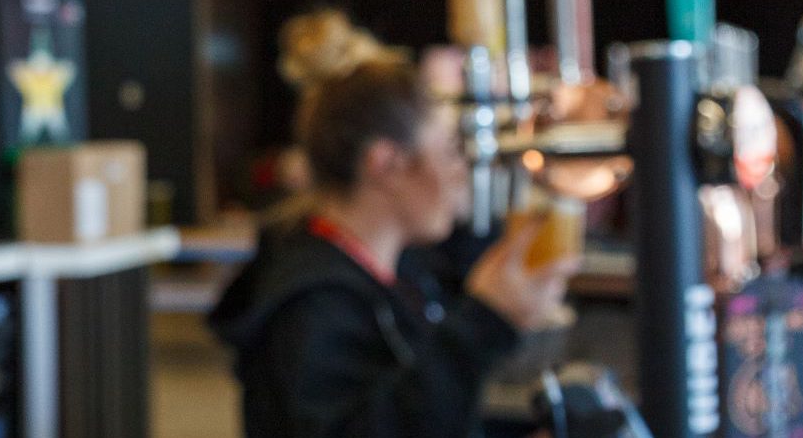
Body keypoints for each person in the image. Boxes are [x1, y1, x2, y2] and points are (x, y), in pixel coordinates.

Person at [207, 56, 579, 436]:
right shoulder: (315, 304)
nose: (459, 173)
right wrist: (486, 321)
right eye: (449, 151)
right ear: (386, 164)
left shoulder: (397, 270)